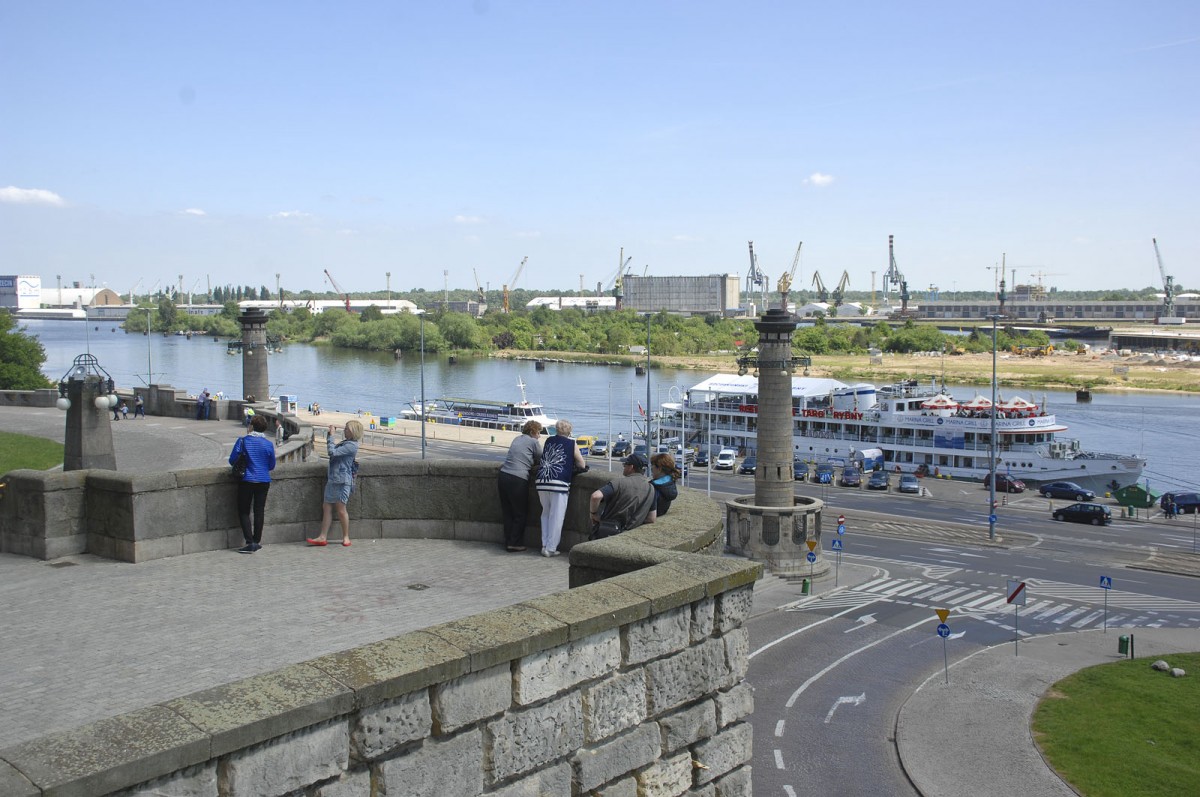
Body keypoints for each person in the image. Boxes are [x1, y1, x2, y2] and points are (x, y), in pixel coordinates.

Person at [307, 420, 363, 547]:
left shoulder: (352, 445)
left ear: (353, 431)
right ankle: (322, 536)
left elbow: (332, 452)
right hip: (333, 479)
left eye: (347, 429)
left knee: (341, 510)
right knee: (326, 507)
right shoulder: (346, 443)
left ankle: (346, 537)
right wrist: (329, 435)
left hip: (343, 480)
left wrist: (332, 435)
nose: (345, 430)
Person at [536, 419, 587, 557]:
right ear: (569, 431)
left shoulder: (548, 441)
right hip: (559, 481)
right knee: (557, 516)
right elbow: (581, 464)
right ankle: (551, 548)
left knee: (545, 513)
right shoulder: (571, 443)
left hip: (542, 479)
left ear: (556, 429)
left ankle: (544, 544)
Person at [229, 414, 277, 554]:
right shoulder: (268, 444)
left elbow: (232, 460)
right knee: (259, 511)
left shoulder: (243, 441)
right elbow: (271, 465)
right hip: (263, 481)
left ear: (251, 426)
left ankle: (249, 542)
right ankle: (257, 541)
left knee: (244, 511)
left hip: (247, 480)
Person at [497, 420, 543, 552]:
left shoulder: (517, 439)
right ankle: (515, 543)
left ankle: (508, 541)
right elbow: (540, 459)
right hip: (518, 478)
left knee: (507, 512)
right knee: (520, 513)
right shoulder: (533, 442)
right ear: (532, 432)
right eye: (538, 432)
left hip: (503, 476)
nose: (539, 435)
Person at [588, 453, 657, 538]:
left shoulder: (619, 483)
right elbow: (651, 518)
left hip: (608, 532)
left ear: (631, 467)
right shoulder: (651, 488)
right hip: (629, 536)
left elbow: (595, 496)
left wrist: (593, 514)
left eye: (625, 465)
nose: (624, 467)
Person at [649, 452, 682, 517]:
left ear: (659, 469)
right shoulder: (669, 484)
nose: (651, 468)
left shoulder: (654, 487)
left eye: (652, 465)